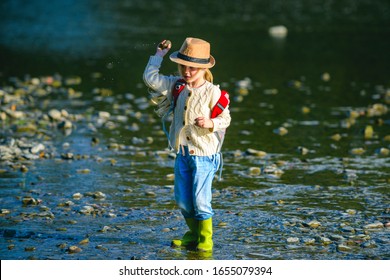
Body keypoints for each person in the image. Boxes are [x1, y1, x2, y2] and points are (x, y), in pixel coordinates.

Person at [143, 37, 231, 252]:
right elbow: (151, 79)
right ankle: (192, 234)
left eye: (193, 68)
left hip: (204, 154)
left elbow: (226, 119)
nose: (187, 71)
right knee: (182, 199)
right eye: (184, 66)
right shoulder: (177, 84)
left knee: (201, 200)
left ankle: (205, 238)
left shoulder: (213, 92)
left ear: (203, 69)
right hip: (182, 152)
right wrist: (158, 56)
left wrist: (211, 122)